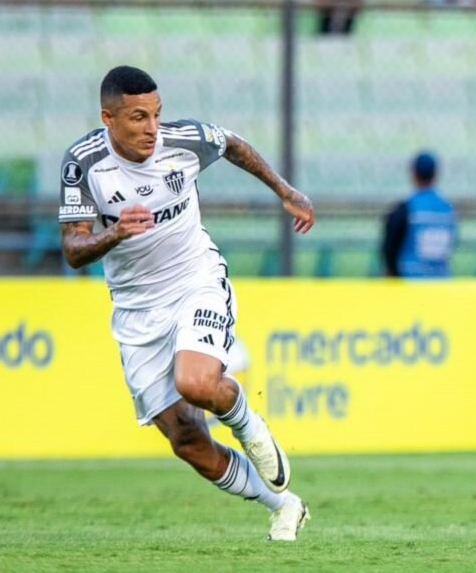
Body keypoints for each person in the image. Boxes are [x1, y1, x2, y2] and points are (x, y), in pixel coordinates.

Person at [58, 66, 315, 541]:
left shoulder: (183, 142)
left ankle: (248, 422)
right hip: (137, 311)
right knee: (188, 442)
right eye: (138, 117)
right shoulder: (84, 162)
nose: (152, 128)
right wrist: (114, 232)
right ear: (108, 118)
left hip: (195, 279)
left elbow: (233, 144)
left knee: (196, 382)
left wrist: (285, 190)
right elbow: (73, 250)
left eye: (157, 114)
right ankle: (284, 506)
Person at [382, 152, 457, 278]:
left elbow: (390, 248)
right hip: (441, 283)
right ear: (436, 174)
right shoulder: (448, 210)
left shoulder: (407, 209)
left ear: (413, 174)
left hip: (411, 283)